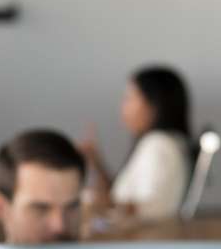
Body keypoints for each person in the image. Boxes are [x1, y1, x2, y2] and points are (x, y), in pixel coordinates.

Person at [80, 65, 193, 222]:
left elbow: (155, 208)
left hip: (143, 242)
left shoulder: (159, 145)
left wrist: (95, 201)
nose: (123, 108)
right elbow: (120, 194)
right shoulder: (161, 143)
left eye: (129, 98)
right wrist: (96, 163)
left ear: (154, 104)